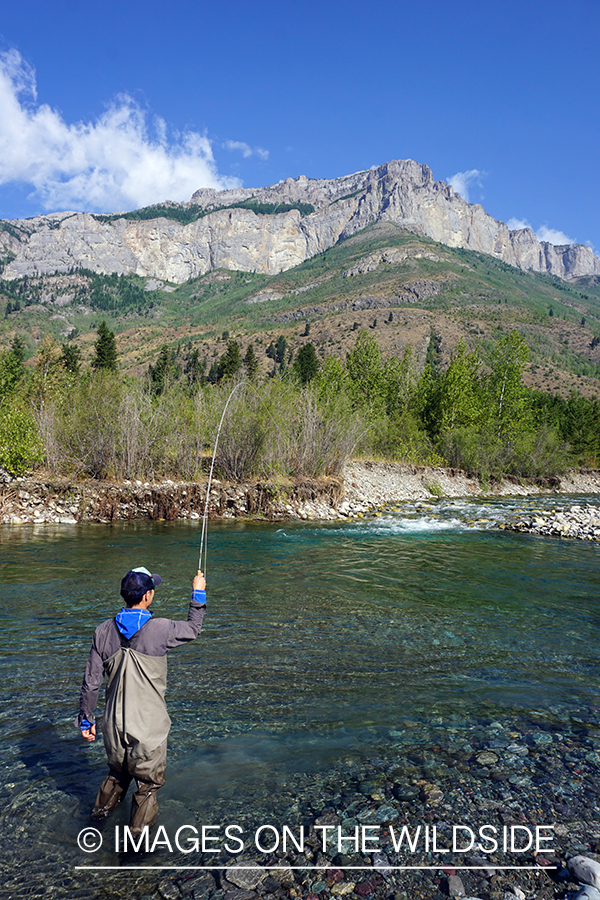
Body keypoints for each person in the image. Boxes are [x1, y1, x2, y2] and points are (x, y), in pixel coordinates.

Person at [77, 566, 206, 834]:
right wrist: (198, 592)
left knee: (117, 775)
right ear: (147, 596)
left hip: (112, 726)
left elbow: (91, 682)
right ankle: (136, 851)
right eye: (152, 589)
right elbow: (193, 628)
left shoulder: (102, 631)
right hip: (148, 727)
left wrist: (86, 719)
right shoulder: (161, 628)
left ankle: (95, 823)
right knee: (146, 787)